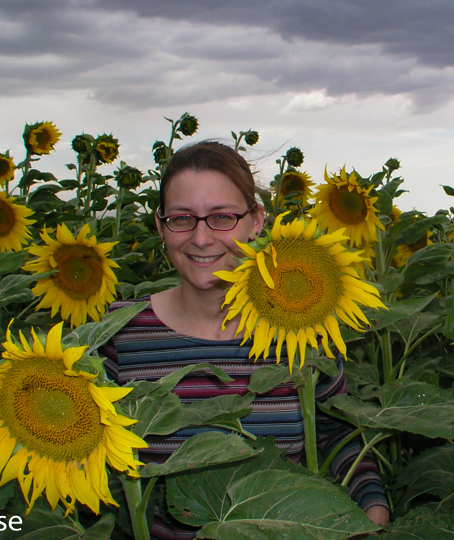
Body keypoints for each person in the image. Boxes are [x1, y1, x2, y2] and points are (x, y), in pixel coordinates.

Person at [102, 141, 390, 538]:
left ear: (256, 221)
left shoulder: (302, 327)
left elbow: (337, 435)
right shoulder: (120, 333)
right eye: (182, 218)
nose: (201, 238)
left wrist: (372, 510)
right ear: (159, 225)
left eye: (222, 217)